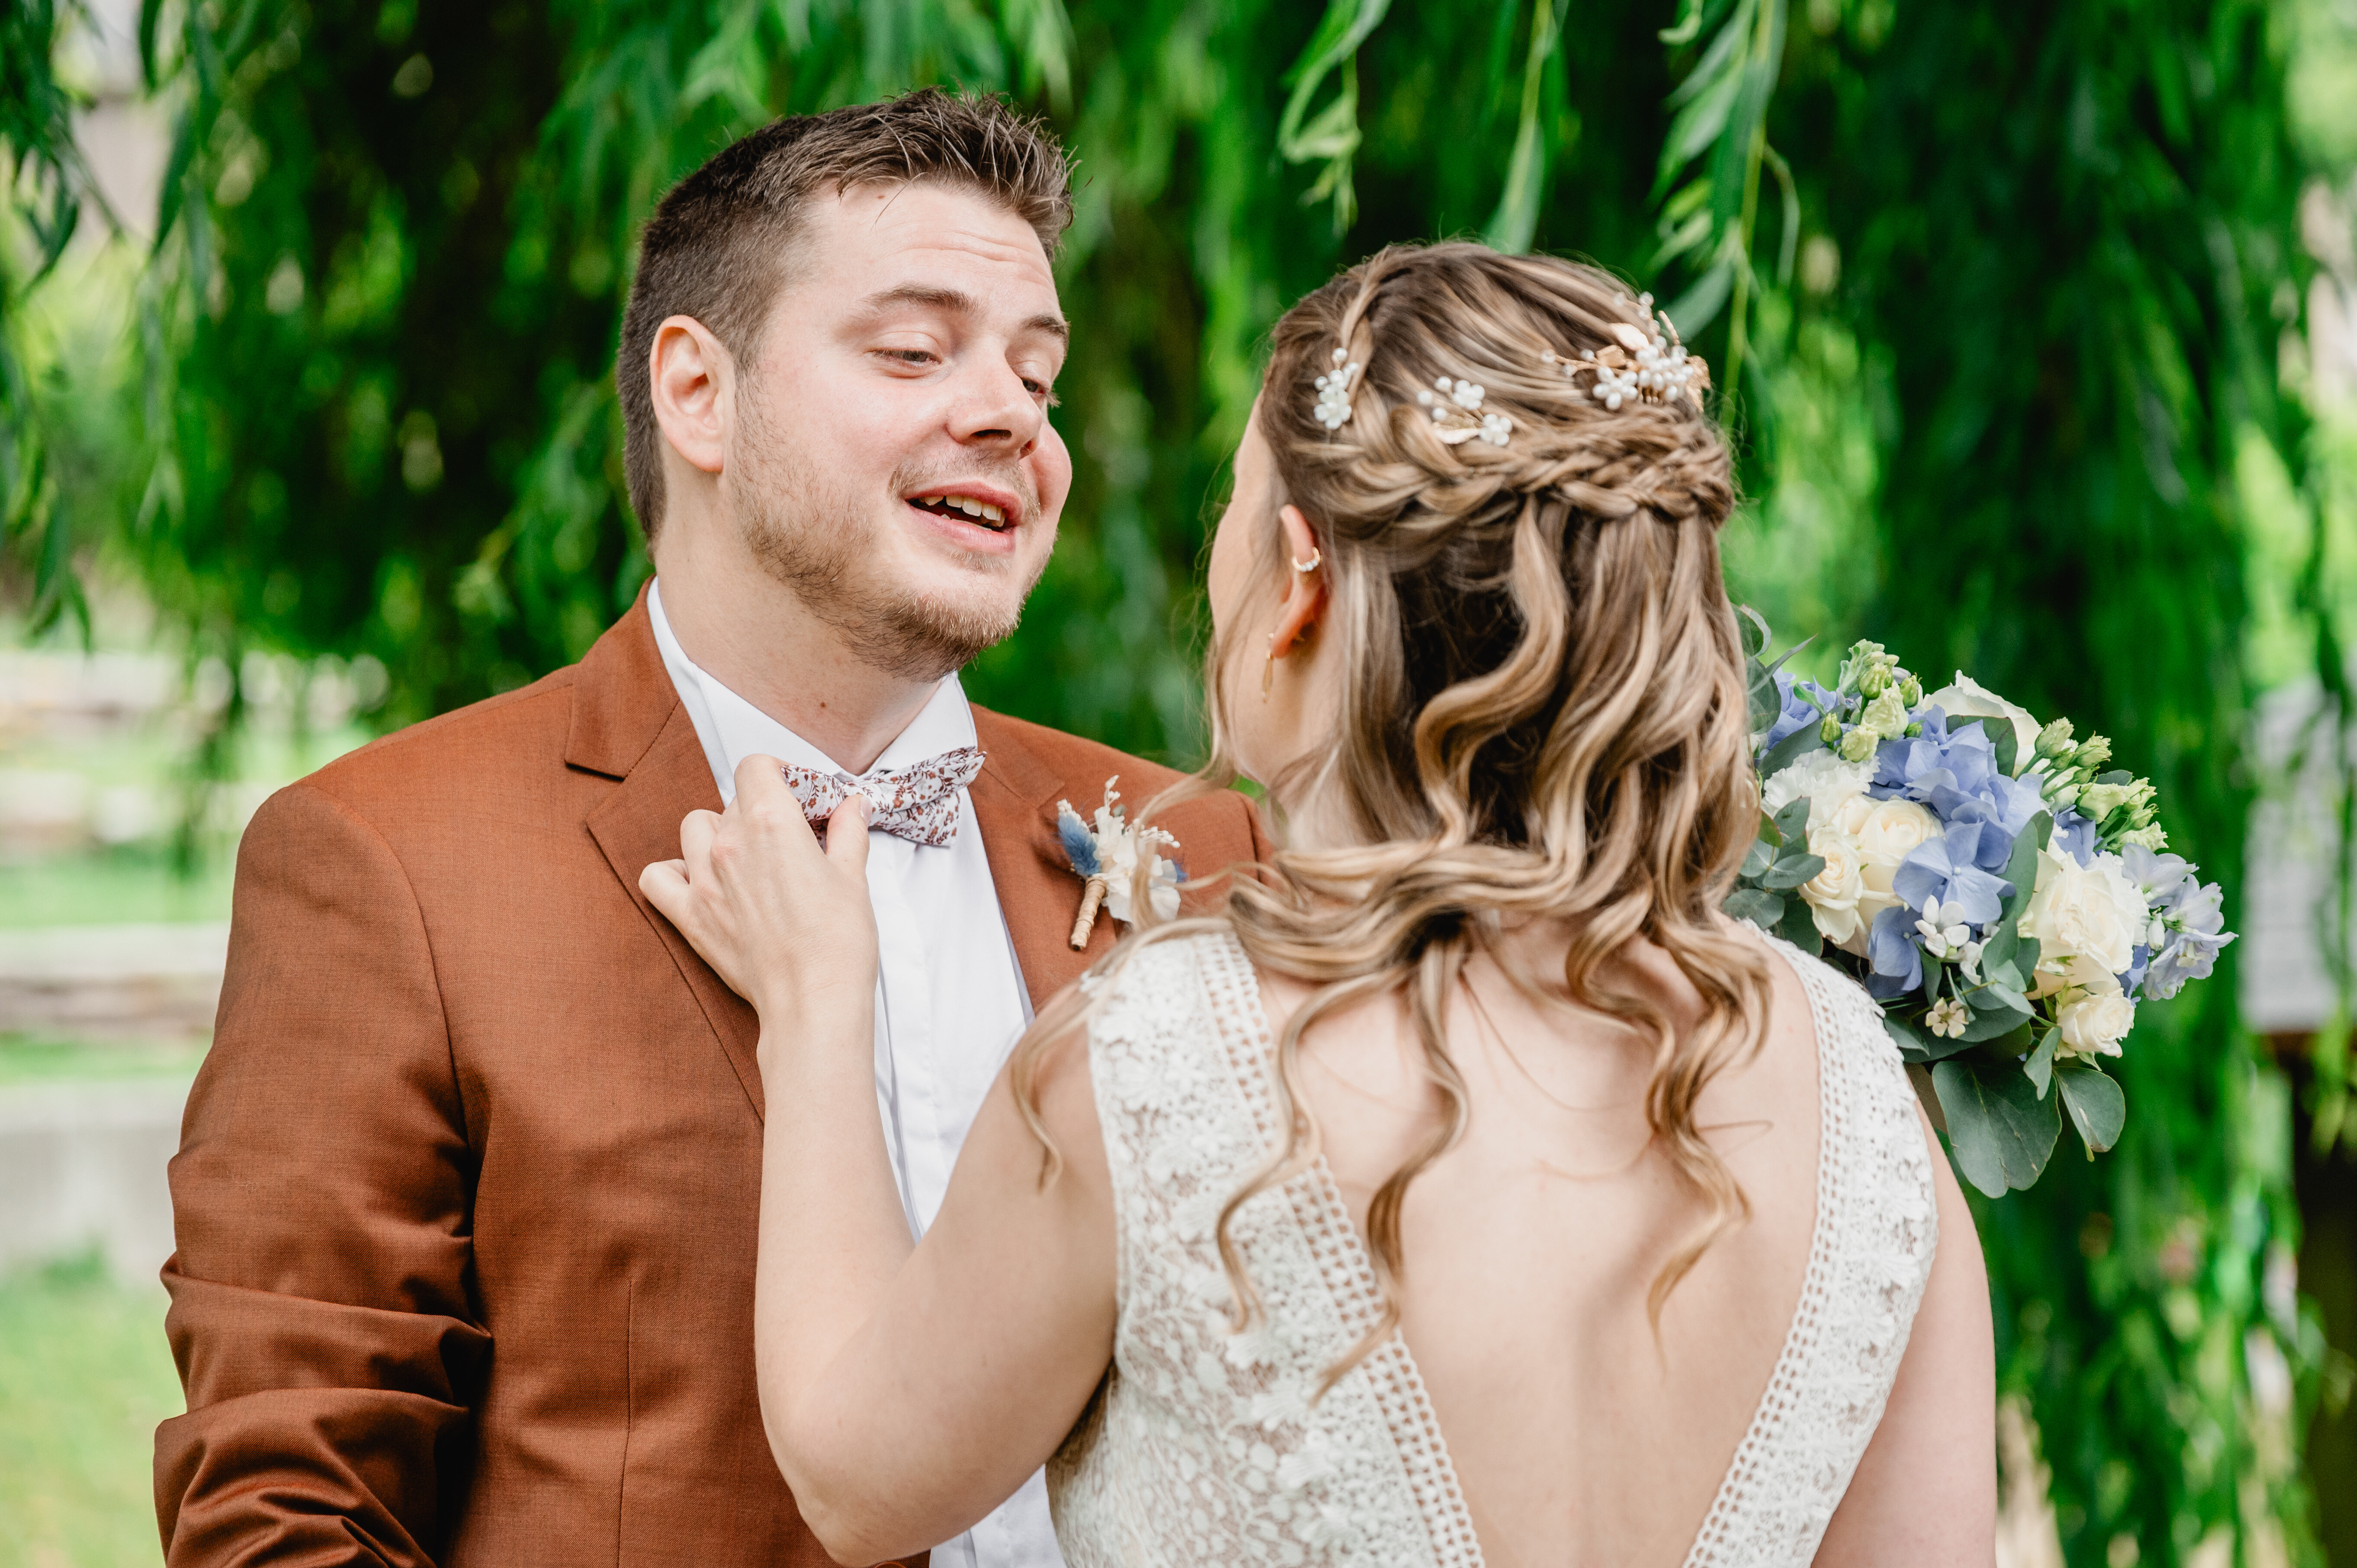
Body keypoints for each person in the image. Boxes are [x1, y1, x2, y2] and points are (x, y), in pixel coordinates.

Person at [645, 243, 1999, 1566]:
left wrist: (820, 1008)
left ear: (1299, 578)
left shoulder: (1176, 1056)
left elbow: (854, 1477)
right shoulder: (1860, 1093)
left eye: (1228, 517)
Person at [155, 89, 1263, 1568]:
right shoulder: (387, 865)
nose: (1011, 417)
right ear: (698, 394)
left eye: (1038, 376)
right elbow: (286, 1518)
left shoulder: (1217, 856)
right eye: (916, 350)